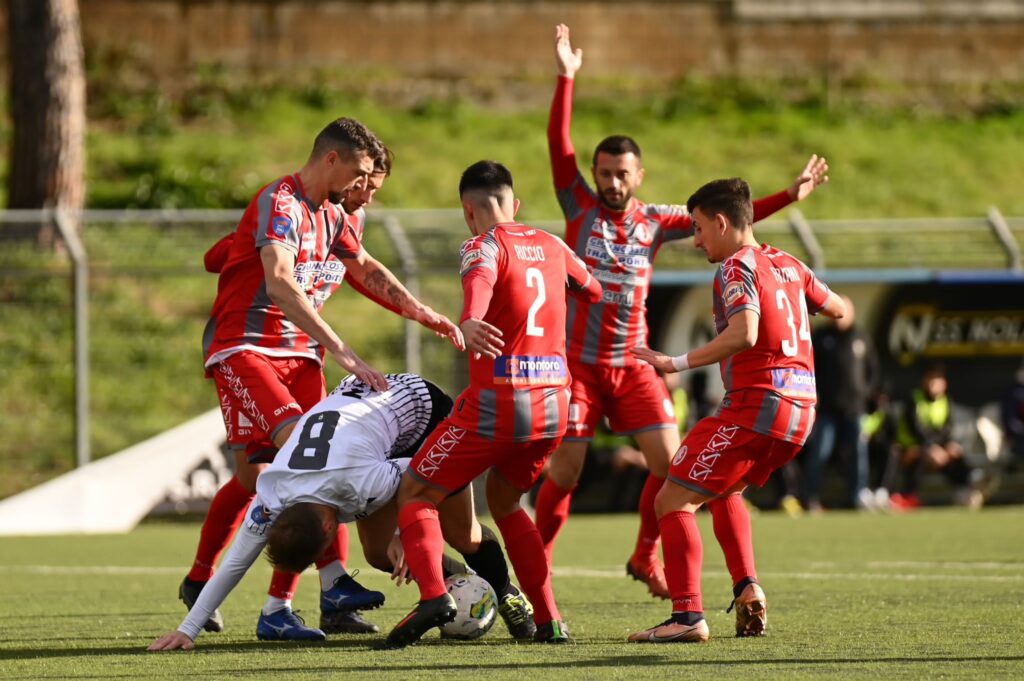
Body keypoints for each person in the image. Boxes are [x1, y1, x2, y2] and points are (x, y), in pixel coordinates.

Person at [536, 23, 831, 600]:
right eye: (605, 173)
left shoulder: (657, 219)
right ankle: (535, 564)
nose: (613, 182)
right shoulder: (578, 205)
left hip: (637, 362)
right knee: (566, 472)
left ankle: (646, 557)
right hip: (580, 366)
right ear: (593, 176)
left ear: (638, 176)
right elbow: (558, 145)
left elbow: (730, 220)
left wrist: (786, 197)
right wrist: (566, 78)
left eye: (623, 174)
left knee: (672, 468)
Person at [179, 122, 464, 639]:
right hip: (248, 349)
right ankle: (320, 582)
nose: (364, 191)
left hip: (302, 356)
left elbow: (365, 268)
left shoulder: (335, 215)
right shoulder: (282, 203)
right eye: (360, 177)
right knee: (301, 451)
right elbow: (281, 282)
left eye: (370, 184)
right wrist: (344, 351)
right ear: (331, 160)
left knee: (257, 475)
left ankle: (276, 598)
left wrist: (421, 312)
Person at [149, 373, 533, 651]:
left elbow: (418, 476)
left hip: (422, 410)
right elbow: (234, 564)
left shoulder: (358, 481)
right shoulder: (272, 497)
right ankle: (463, 583)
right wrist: (188, 629)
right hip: (366, 423)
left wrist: (410, 533)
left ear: (331, 525)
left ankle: (508, 594)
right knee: (381, 554)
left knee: (460, 534)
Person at [384, 160, 602, 649]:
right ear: (515, 204)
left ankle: (435, 597)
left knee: (416, 492)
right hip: (555, 406)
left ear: (468, 211)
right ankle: (548, 620)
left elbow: (478, 285)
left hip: (502, 403)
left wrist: (470, 319)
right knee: (505, 502)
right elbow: (594, 288)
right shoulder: (551, 244)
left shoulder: (482, 245)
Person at [629, 177, 846, 643]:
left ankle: (686, 618)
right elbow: (841, 309)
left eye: (701, 228)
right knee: (724, 491)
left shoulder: (734, 267)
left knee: (671, 500)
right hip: (801, 412)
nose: (697, 239)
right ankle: (748, 588)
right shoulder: (788, 262)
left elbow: (745, 333)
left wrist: (675, 362)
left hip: (757, 405)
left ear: (723, 223)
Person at [800, 295, 880, 511]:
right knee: (820, 453)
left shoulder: (861, 337)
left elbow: (872, 371)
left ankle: (857, 496)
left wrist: (866, 394)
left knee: (858, 454)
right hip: (827, 408)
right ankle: (811, 497)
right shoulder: (821, 337)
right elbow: (808, 367)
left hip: (855, 409)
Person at [890, 363, 980, 510]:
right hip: (910, 448)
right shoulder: (914, 400)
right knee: (920, 454)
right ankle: (907, 496)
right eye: (931, 379)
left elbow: (947, 429)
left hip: (936, 449)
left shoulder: (946, 401)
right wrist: (931, 448)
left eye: (938, 380)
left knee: (954, 452)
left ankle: (967, 486)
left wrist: (946, 447)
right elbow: (917, 430)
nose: (934, 384)